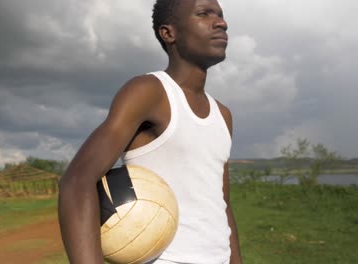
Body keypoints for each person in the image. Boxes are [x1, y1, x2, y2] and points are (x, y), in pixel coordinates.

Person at [58, 0, 242, 263]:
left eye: (221, 15)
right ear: (169, 33)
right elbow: (77, 181)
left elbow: (222, 205)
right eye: (204, 14)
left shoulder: (223, 115)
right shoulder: (149, 91)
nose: (221, 23)